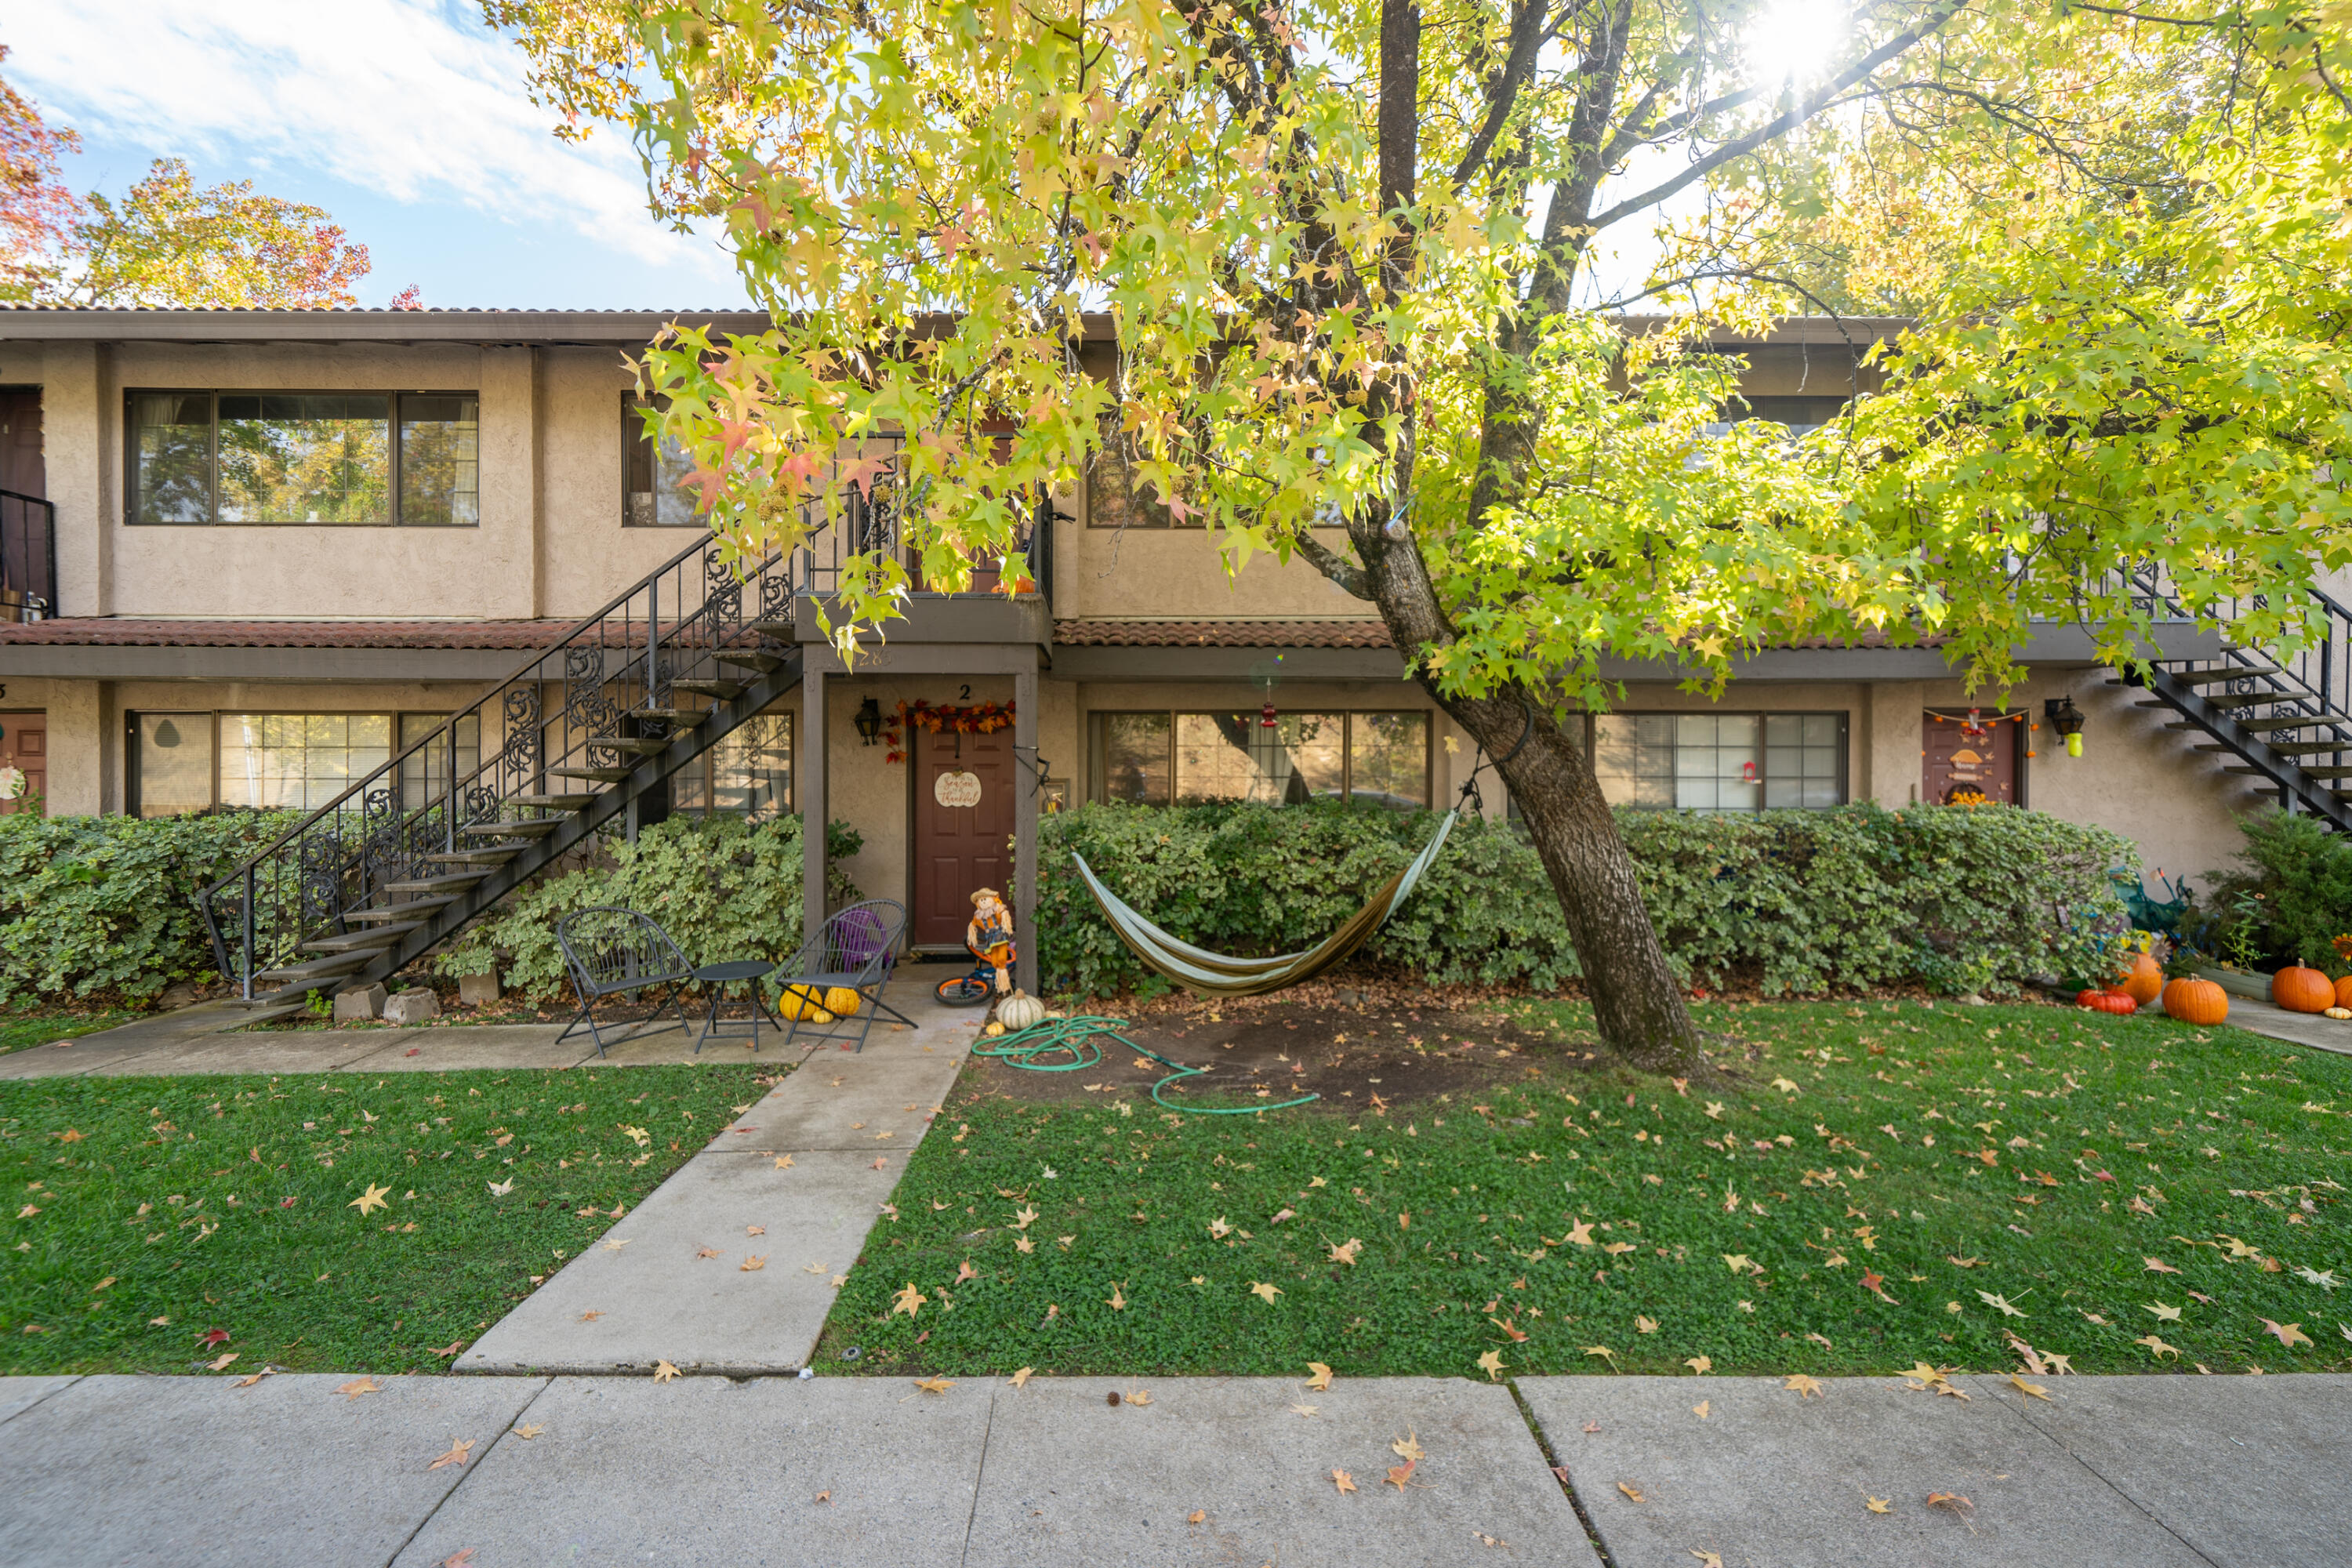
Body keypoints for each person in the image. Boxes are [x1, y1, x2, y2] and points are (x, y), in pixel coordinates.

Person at [966, 887, 1015, 996]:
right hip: (990, 940)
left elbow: (1004, 915)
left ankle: (1002, 975)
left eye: (985, 898)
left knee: (1002, 958)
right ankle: (1000, 973)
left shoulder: (997, 910)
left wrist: (1004, 914)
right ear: (978, 903)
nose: (983, 901)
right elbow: (973, 924)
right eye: (981, 899)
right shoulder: (978, 916)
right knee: (994, 961)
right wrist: (971, 930)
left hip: (1000, 937)